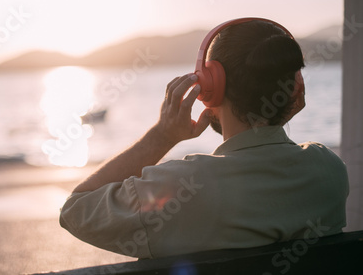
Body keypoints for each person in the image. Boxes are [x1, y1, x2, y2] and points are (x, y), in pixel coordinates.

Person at [59, 18, 349, 259]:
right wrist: (276, 112)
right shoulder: (329, 171)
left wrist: (162, 136)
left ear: (211, 87)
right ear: (295, 88)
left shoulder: (178, 188)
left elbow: (75, 210)